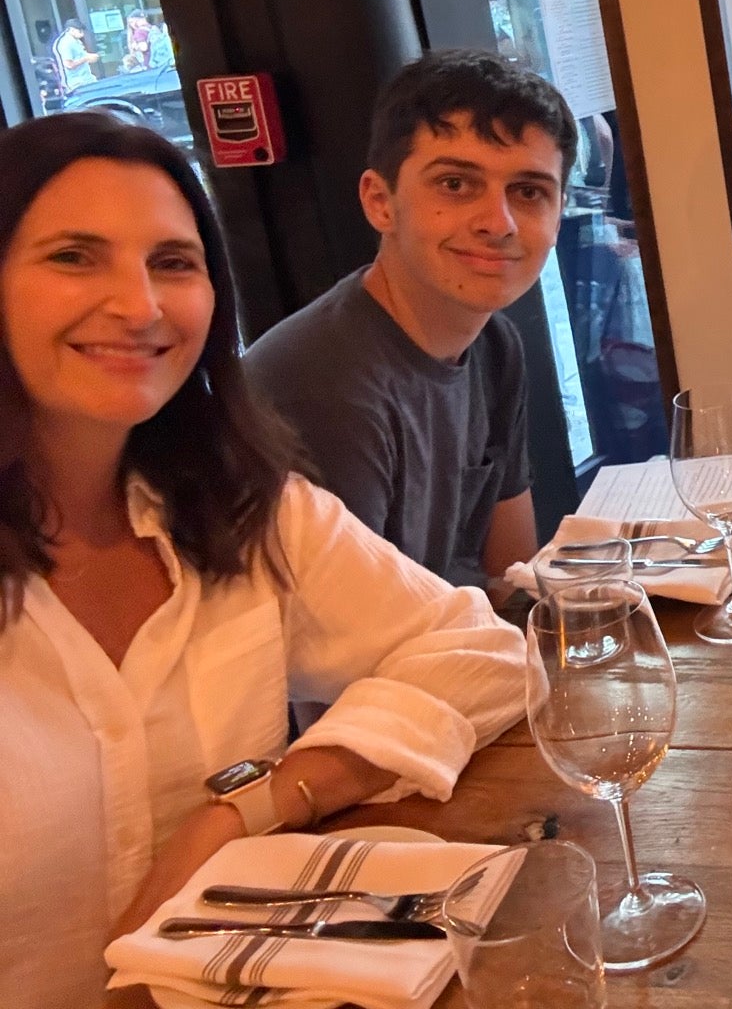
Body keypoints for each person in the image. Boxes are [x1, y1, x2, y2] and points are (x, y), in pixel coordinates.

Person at [0, 113, 523, 1009]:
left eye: (173, 262)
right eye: (74, 257)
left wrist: (251, 807)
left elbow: (484, 654)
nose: (139, 306)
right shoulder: (334, 377)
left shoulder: (245, 510)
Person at [246, 51, 576, 594]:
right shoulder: (322, 384)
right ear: (380, 202)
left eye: (528, 192)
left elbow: (514, 579)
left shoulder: (493, 345)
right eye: (456, 184)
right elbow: (345, 632)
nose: (498, 223)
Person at [53, 19, 98, 89]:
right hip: (76, 84)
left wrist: (90, 58)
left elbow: (80, 56)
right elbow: (69, 65)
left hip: (87, 79)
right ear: (72, 30)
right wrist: (86, 58)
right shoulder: (66, 43)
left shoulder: (75, 40)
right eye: (80, 30)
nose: (82, 33)